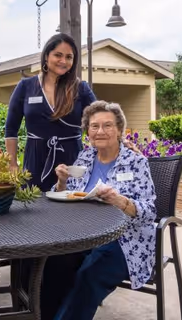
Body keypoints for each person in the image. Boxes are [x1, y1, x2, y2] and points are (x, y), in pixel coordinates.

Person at [51, 100, 157, 320]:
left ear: (119, 130)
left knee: (90, 274)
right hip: (83, 235)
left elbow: (150, 212)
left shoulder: (136, 163)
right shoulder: (85, 158)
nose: (100, 131)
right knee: (53, 264)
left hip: (125, 240)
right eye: (94, 126)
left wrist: (120, 201)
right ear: (87, 132)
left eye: (108, 125)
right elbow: (66, 195)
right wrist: (61, 182)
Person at [5, 33, 97, 193]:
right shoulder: (26, 86)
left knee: (71, 209)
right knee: (34, 209)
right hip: (35, 159)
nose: (64, 61)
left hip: (71, 160)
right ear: (46, 56)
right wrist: (12, 164)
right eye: (58, 55)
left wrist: (120, 143)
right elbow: (11, 129)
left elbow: (100, 119)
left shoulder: (80, 88)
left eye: (69, 57)